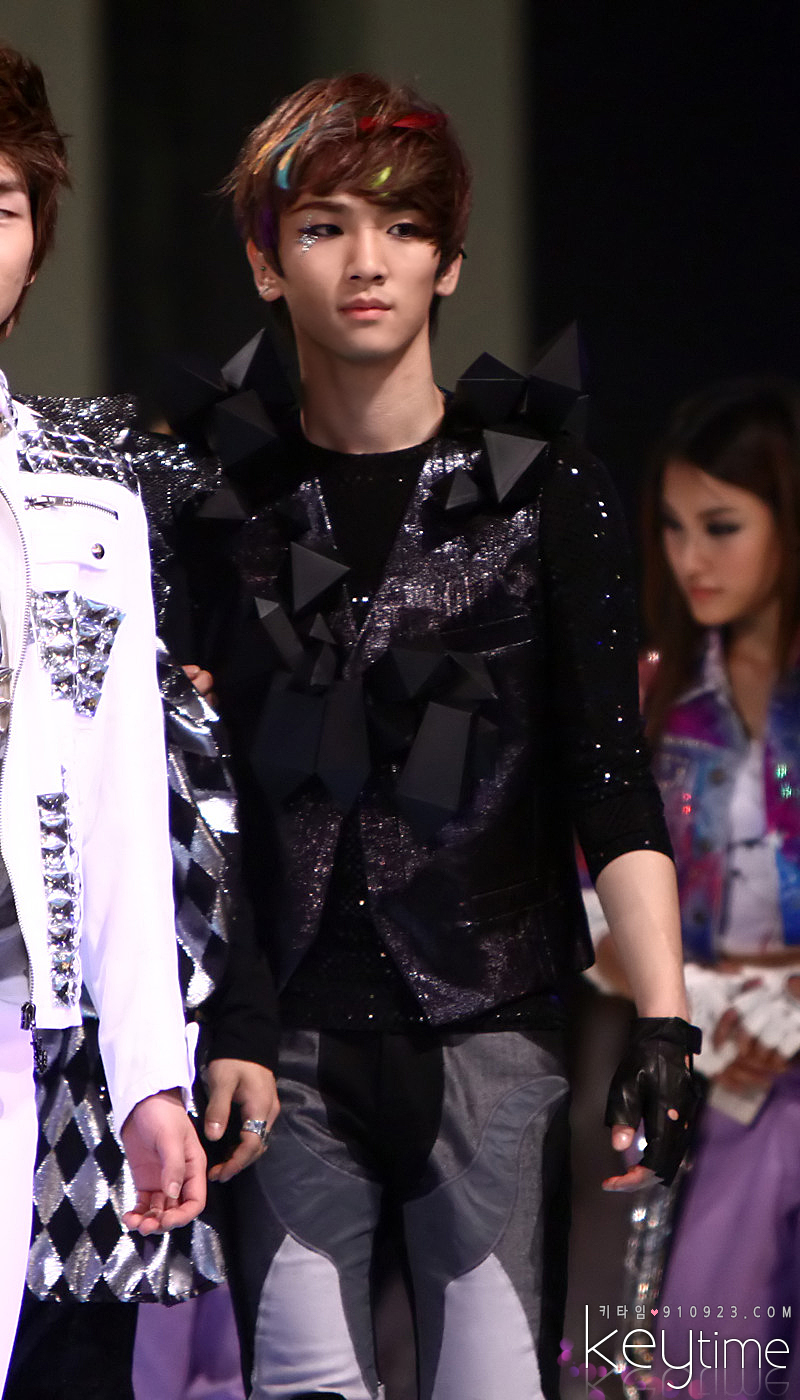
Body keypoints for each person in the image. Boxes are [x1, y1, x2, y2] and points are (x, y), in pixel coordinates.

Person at [170, 73, 698, 1400]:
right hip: (275, 1041)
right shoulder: (214, 503)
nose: (367, 261)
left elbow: (607, 775)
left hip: (495, 1029)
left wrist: (666, 1024)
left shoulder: (546, 493)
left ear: (449, 261)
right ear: (266, 261)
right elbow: (182, 793)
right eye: (324, 226)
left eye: (403, 227)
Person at [0, 39, 208, 1394]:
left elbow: (124, 796)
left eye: (2, 205)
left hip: (18, 1012)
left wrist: (148, 1075)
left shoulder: (84, 497)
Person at [602, 380, 800, 1396]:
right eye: (673, 528)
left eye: (720, 526)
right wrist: (698, 999)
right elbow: (598, 907)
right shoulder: (654, 701)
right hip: (723, 1078)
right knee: (703, 1357)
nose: (690, 558)